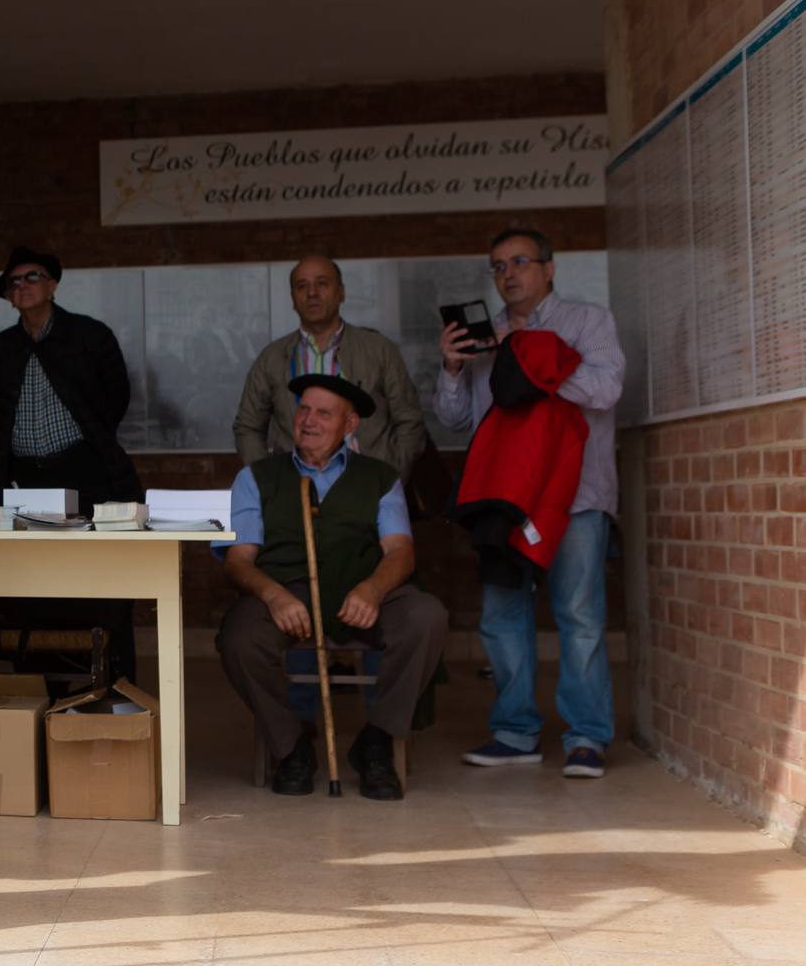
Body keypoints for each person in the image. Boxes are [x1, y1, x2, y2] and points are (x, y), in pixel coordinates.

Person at [438, 227, 625, 777]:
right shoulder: (484, 337)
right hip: (505, 500)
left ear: (550, 267)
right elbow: (454, 420)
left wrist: (531, 366)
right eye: (497, 265)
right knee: (502, 616)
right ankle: (515, 732)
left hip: (577, 496)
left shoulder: (587, 322)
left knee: (580, 616)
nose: (508, 274)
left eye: (520, 261)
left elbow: (606, 389)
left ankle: (587, 738)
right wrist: (452, 366)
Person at [218, 375, 448, 800]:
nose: (308, 420)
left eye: (324, 413)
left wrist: (374, 590)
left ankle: (377, 741)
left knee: (425, 616)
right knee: (239, 637)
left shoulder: (380, 477)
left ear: (350, 424)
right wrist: (272, 594)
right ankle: (291, 746)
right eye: (304, 408)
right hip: (287, 593)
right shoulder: (256, 478)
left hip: (360, 590)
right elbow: (238, 562)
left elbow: (399, 551)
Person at [0, 245, 143, 685]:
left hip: (87, 471)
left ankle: (114, 685)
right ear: (9, 297)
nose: (23, 287)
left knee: (102, 584)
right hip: (25, 480)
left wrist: (90, 442)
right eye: (14, 282)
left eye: (32, 277)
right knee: (34, 584)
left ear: (52, 285)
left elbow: (116, 398)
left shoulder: (90, 335)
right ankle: (42, 687)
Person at [234, 255, 426, 473]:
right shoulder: (272, 358)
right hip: (296, 492)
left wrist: (389, 479)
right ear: (293, 298)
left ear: (341, 293)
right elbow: (248, 427)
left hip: (366, 488)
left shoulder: (379, 349)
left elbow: (410, 422)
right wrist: (270, 484)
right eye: (302, 286)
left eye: (322, 283)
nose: (312, 293)